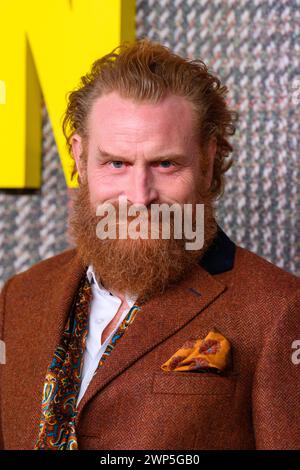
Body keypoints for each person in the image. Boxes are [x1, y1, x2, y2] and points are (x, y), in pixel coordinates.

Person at [0, 39, 299, 451]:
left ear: (207, 163)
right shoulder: (20, 297)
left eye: (165, 164)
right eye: (116, 163)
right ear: (80, 157)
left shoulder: (279, 309)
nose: (139, 197)